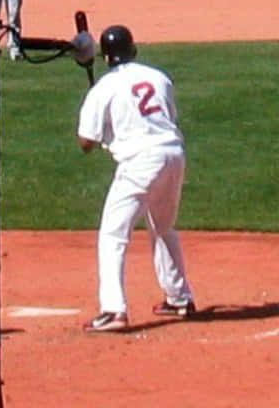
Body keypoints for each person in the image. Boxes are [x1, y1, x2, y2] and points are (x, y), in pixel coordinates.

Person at [76, 25, 196, 332]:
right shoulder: (158, 77)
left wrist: (106, 132)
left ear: (105, 58)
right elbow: (166, 118)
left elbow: (86, 142)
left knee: (112, 235)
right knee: (163, 227)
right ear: (133, 50)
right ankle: (179, 298)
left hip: (141, 163)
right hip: (173, 155)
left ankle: (113, 310)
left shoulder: (102, 89)